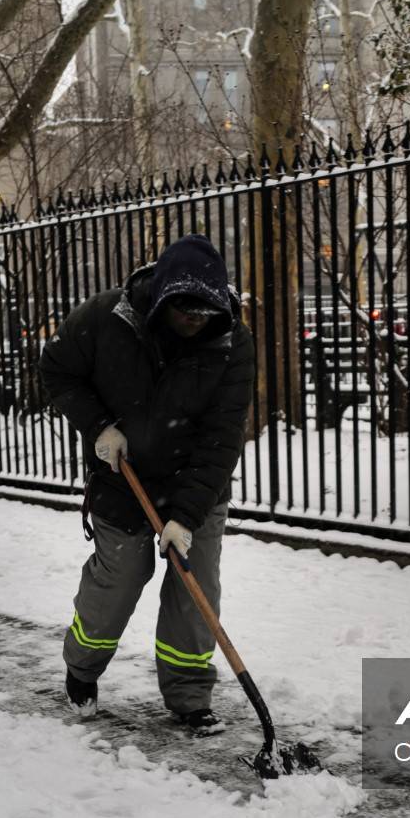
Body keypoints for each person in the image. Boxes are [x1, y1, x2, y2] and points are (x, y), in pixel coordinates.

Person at [39, 234, 255, 735]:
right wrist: (98, 427)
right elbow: (58, 371)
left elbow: (222, 437)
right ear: (160, 298)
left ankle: (188, 696)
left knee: (193, 582)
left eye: (205, 310)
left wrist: (185, 515)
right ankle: (82, 669)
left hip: (196, 483)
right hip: (121, 477)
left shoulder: (231, 343)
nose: (195, 319)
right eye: (184, 309)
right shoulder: (104, 318)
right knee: (121, 580)